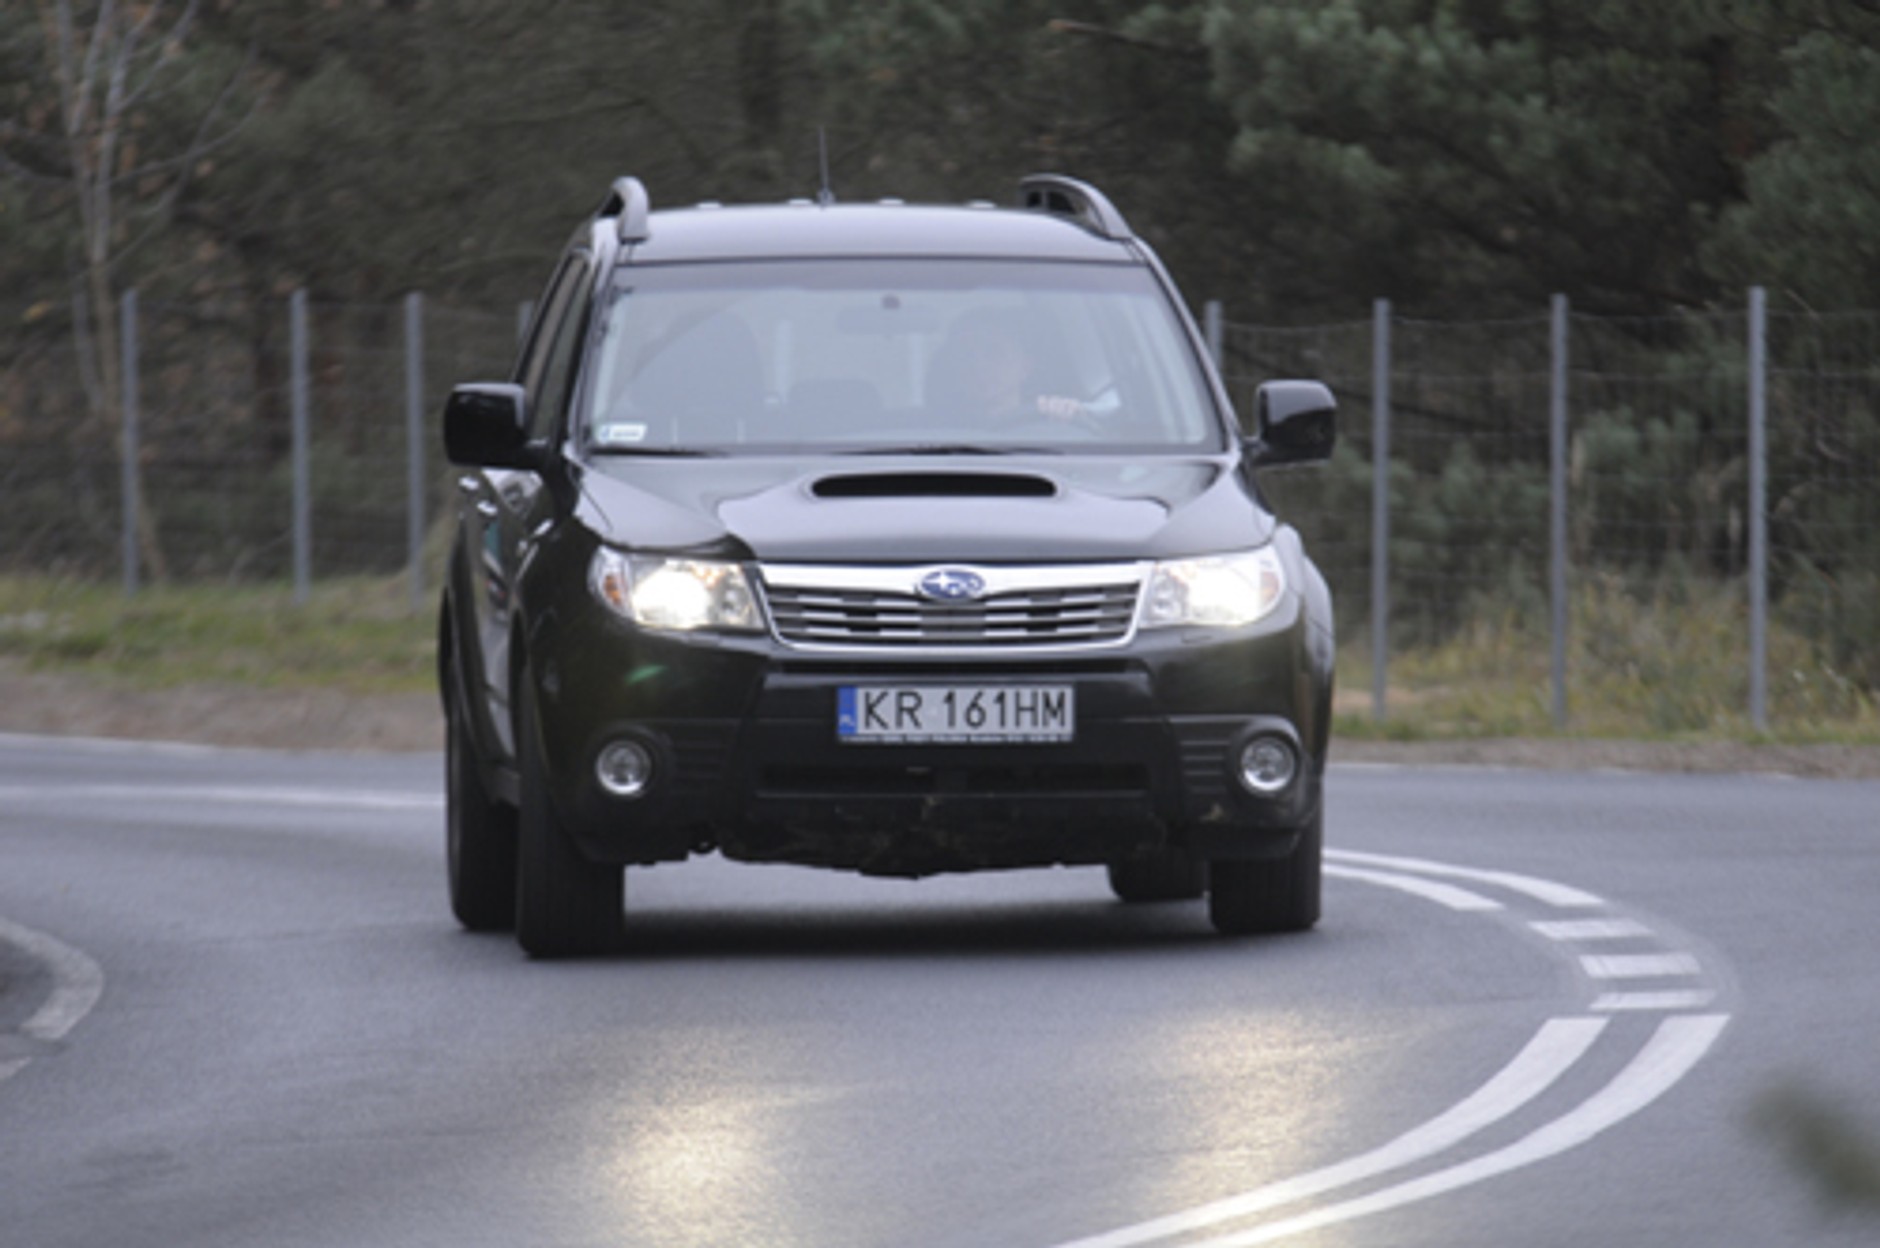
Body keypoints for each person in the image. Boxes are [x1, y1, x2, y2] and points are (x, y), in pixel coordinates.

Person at [927, 309, 1093, 426]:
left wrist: (1069, 416)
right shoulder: (929, 435)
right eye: (967, 355)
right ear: (952, 368)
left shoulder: (1053, 422)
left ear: (1026, 367)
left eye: (994, 352)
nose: (979, 365)